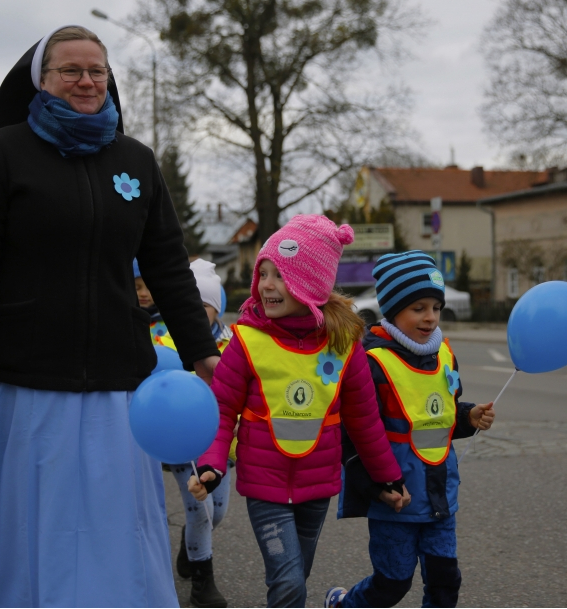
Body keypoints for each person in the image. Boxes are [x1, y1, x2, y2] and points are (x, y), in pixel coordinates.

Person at [0, 25, 220, 608]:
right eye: (71, 70)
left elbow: (168, 263)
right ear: (42, 80)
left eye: (97, 70)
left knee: (112, 521)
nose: (87, 80)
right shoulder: (6, 152)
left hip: (117, 384)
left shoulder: (135, 160)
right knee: (25, 520)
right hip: (24, 383)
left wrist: (201, 349)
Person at [188, 215, 407, 608]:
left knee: (296, 577)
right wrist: (212, 463)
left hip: (317, 486)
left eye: (280, 276)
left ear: (311, 284)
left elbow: (364, 420)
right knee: (289, 583)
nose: (266, 285)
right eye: (263, 273)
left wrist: (387, 476)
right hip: (264, 487)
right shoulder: (247, 341)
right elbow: (222, 410)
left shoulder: (344, 344)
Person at [325, 251, 496, 608]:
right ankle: (343, 605)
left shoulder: (445, 353)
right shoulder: (371, 362)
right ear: (392, 309)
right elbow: (353, 435)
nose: (430, 317)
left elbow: (436, 416)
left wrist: (468, 417)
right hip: (396, 500)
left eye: (435, 307)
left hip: (439, 496)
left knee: (445, 582)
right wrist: (377, 487)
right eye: (418, 308)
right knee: (391, 584)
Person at [163, 258, 231, 608]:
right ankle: (203, 582)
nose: (194, 311)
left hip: (221, 442)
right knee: (199, 511)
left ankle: (189, 545)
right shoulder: (164, 340)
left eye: (203, 305)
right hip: (181, 441)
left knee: (218, 512)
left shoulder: (233, 343)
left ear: (217, 309)